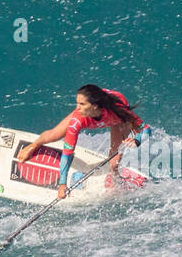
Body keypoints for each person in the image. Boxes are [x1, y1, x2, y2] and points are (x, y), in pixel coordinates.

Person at [17, 85, 145, 198]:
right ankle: (35, 144)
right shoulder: (78, 119)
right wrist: (62, 184)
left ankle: (114, 177)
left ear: (94, 106)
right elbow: (67, 153)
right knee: (54, 134)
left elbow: (146, 129)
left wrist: (137, 140)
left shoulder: (119, 111)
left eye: (81, 104)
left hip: (117, 118)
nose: (77, 108)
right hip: (98, 110)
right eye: (77, 103)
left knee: (114, 157)